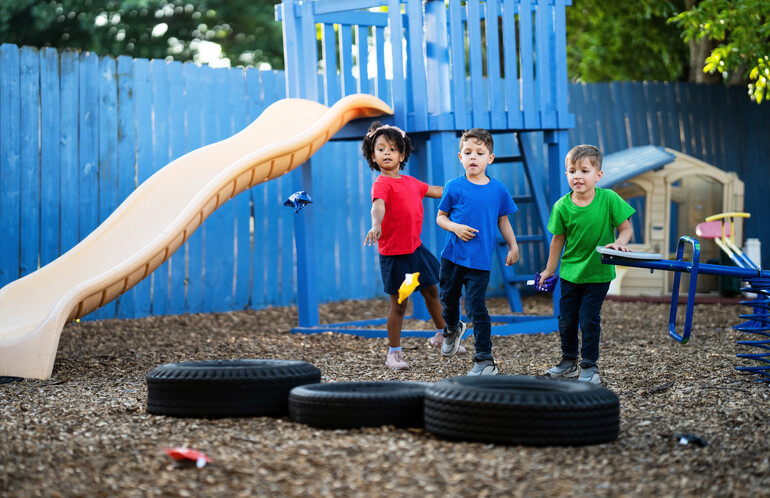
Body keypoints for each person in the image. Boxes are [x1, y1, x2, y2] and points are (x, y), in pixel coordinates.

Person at [362, 121, 465, 370]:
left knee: (432, 292)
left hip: (416, 251)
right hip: (397, 257)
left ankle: (442, 335)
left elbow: (437, 190)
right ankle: (394, 353)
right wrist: (376, 225)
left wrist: (465, 189)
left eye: (393, 149)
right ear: (373, 156)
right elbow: (378, 206)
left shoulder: (411, 183)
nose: (387, 153)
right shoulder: (381, 184)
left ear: (402, 154)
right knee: (400, 304)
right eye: (381, 149)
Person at [538, 144, 635, 384]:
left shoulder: (609, 198)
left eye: (584, 171)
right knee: (566, 318)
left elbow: (626, 228)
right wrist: (549, 270)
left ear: (598, 175)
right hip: (571, 272)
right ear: (566, 175)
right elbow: (557, 240)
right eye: (572, 171)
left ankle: (590, 366)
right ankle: (568, 362)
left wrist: (620, 243)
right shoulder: (562, 206)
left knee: (589, 318)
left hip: (598, 271)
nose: (577, 176)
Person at [437, 128, 519, 376]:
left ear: (490, 158)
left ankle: (484, 360)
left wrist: (514, 245)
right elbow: (441, 217)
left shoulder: (498, 189)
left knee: (476, 307)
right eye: (468, 152)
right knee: (448, 298)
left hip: (480, 262)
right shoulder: (454, 186)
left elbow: (502, 220)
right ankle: (452, 328)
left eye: (479, 153)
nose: (473, 157)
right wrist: (455, 227)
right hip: (452, 257)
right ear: (460, 156)